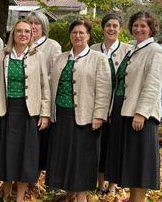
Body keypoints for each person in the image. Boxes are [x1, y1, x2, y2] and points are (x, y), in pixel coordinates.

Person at [45, 19, 111, 202]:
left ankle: (81, 197)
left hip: (85, 117)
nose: (78, 36)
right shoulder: (61, 57)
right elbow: (51, 85)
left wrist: (99, 115)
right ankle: (69, 194)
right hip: (61, 115)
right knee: (65, 156)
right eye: (74, 32)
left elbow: (104, 90)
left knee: (82, 159)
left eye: (82, 32)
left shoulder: (99, 59)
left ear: (88, 36)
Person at [0, 19, 50, 202]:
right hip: (6, 111)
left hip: (29, 113)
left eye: (27, 32)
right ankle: (6, 195)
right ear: (13, 34)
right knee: (6, 155)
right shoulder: (2, 56)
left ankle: (20, 197)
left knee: (25, 156)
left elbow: (45, 86)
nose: (23, 35)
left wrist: (45, 113)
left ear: (31, 36)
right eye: (19, 31)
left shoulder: (38, 56)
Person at [105, 11, 162, 202]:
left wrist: (141, 113)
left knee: (140, 164)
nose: (138, 29)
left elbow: (153, 84)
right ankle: (133, 199)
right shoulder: (134, 49)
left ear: (151, 29)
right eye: (136, 25)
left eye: (143, 26)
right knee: (131, 163)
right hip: (124, 111)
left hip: (140, 116)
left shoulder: (155, 51)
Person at [90, 13, 131, 196]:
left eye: (115, 26)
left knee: (114, 146)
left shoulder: (128, 50)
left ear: (120, 29)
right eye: (108, 25)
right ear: (103, 28)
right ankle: (100, 184)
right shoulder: (93, 49)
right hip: (96, 104)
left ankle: (112, 185)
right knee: (99, 145)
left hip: (117, 106)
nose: (111, 29)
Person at [26, 11, 62, 171]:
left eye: (37, 23)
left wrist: (37, 83)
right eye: (30, 23)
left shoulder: (52, 46)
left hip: (43, 98)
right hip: (24, 99)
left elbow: (55, 73)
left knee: (41, 138)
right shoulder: (21, 44)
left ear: (43, 26)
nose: (33, 27)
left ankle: (37, 175)